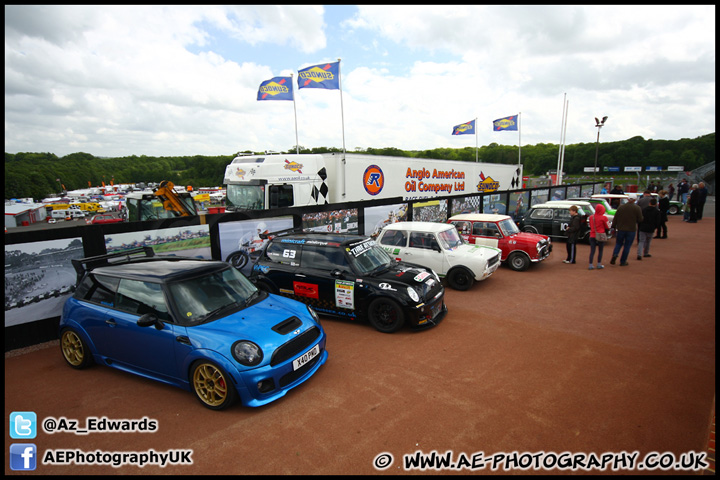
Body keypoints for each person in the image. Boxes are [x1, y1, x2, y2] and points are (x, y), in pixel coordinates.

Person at [610, 196, 643, 266]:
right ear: (635, 200)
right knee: (627, 246)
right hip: (631, 229)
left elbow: (616, 217)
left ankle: (615, 254)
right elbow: (640, 219)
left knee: (618, 243)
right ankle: (623, 261)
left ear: (627, 199)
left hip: (621, 228)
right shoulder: (637, 208)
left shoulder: (621, 207)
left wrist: (613, 226)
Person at [588, 203, 611, 270]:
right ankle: (599, 264)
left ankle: (590, 264)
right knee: (600, 250)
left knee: (592, 251)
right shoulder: (604, 217)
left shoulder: (591, 217)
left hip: (592, 234)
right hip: (601, 235)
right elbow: (608, 226)